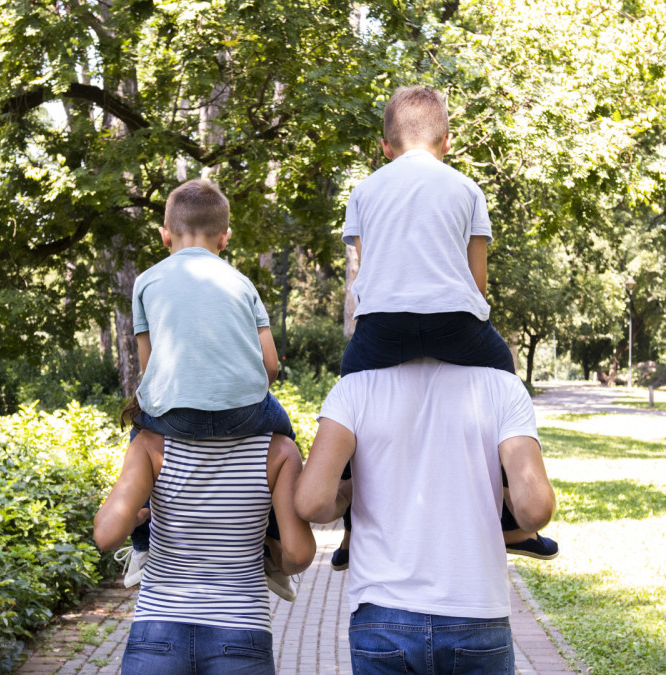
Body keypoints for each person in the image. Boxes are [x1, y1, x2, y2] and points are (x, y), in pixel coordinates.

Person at [332, 84, 557, 566]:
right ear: (447, 141)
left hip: (382, 323)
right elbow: (477, 281)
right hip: (454, 319)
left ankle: (350, 533)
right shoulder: (466, 188)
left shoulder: (364, 191)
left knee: (352, 386)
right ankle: (512, 523)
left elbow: (367, 270)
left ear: (385, 147)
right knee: (502, 370)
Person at [295, 358, 556, 672]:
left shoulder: (354, 387)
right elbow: (536, 509)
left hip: (384, 614)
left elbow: (312, 504)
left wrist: (347, 496)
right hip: (476, 611)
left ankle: (348, 543)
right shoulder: (502, 386)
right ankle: (516, 535)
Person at [118, 178, 297, 598]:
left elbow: (150, 368)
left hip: (173, 416)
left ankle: (142, 547)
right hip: (246, 414)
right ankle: (273, 550)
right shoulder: (242, 283)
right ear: (225, 237)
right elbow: (270, 365)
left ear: (165, 236)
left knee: (136, 435)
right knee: (284, 435)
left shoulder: (146, 282)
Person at [95, 429, 315, 674]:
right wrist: (270, 543)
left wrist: (136, 520)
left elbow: (106, 536)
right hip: (242, 627)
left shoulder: (149, 443)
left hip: (158, 627)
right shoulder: (280, 449)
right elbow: (298, 556)